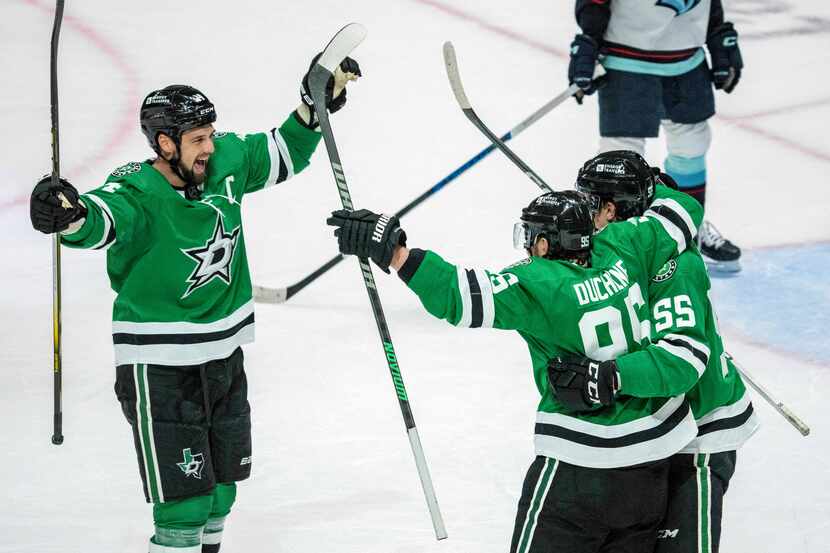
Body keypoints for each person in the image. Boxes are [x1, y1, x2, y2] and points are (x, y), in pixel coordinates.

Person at [29, 55, 361, 553]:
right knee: (184, 505)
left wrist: (314, 110)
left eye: (210, 134)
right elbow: (100, 218)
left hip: (223, 355)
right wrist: (69, 214)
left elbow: (280, 152)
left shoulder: (225, 160)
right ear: (164, 144)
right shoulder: (137, 189)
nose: (209, 147)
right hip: (160, 365)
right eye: (196, 139)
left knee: (221, 493)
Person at [326, 153, 708, 553]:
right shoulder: (625, 245)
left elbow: (458, 295)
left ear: (544, 243)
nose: (527, 247)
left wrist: (394, 251)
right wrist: (650, 184)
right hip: (653, 466)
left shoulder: (539, 282)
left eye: (531, 237)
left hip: (580, 467)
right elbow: (680, 214)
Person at [564, 150, 760, 553]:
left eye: (589, 202)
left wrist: (609, 376)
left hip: (700, 433)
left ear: (614, 209)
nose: (582, 213)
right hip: (657, 429)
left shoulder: (674, 266)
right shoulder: (622, 250)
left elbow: (682, 359)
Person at [567, 0, 744, 272]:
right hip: (627, 59)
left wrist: (718, 32)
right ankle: (615, 245)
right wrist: (589, 38)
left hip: (687, 59)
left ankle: (687, 230)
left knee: (691, 144)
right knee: (618, 157)